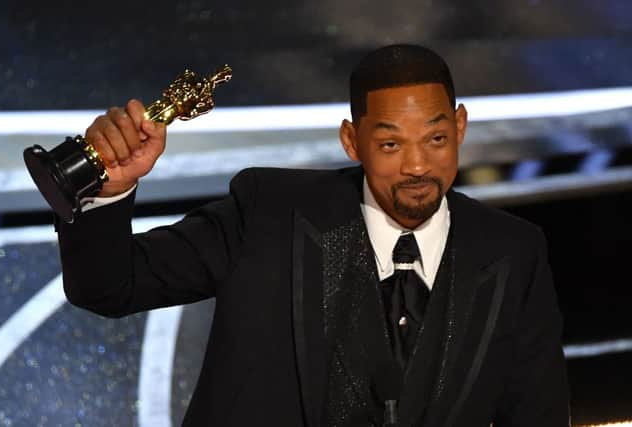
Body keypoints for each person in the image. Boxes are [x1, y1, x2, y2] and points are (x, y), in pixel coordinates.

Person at [57, 44, 569, 426]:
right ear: (352, 140)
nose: (417, 165)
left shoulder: (513, 252)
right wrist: (112, 189)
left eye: (435, 139)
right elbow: (109, 285)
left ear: (459, 127)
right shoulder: (269, 215)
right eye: (390, 144)